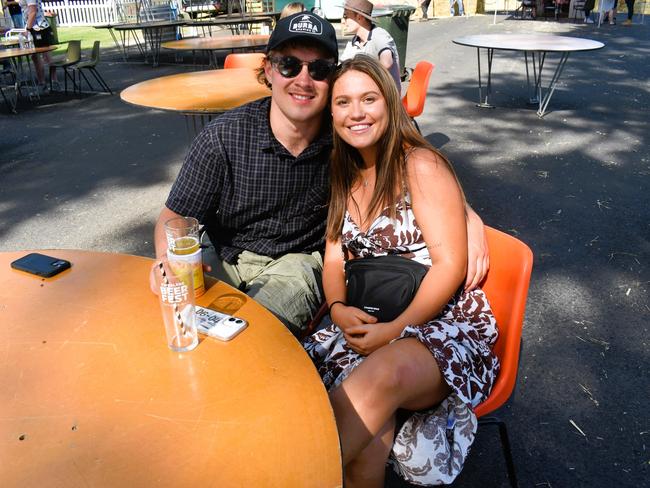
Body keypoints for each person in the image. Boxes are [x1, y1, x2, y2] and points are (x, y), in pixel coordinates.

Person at [152, 12, 490, 337]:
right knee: (181, 323)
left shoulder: (347, 131)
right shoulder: (225, 136)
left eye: (319, 69)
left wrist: (465, 213)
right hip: (223, 254)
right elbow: (177, 215)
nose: (303, 80)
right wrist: (167, 261)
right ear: (269, 70)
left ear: (331, 79)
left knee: (247, 337)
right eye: (289, 65)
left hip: (296, 263)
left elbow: (410, 156)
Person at [303, 55, 499, 487]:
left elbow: (450, 265)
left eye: (369, 98)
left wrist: (396, 330)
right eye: (343, 102)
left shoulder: (420, 165)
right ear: (330, 112)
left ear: (390, 103)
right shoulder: (343, 171)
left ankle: (291, 475)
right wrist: (336, 307)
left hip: (437, 321)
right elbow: (334, 256)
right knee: (368, 435)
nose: (356, 113)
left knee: (382, 375)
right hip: (367, 310)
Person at [340, 0, 401, 93]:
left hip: (387, 96)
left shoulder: (379, 35)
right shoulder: (354, 41)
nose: (343, 21)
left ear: (359, 17)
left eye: (346, 16)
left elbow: (387, 62)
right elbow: (341, 67)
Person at [18, 0, 54, 89]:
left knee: (41, 56)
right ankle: (48, 81)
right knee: (39, 56)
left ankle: (45, 82)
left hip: (38, 27)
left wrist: (28, 29)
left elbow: (33, 11)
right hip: (38, 26)